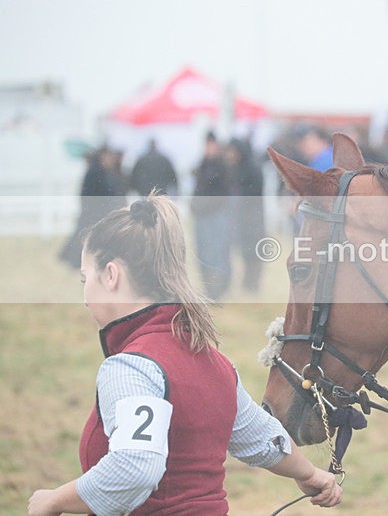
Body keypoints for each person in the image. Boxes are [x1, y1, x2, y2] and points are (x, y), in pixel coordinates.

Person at [28, 193, 342, 515]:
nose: (84, 295)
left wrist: (53, 499)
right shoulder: (213, 361)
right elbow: (262, 436)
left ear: (111, 275)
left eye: (85, 278)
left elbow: (135, 467)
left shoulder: (130, 367)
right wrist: (309, 473)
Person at [59, 146, 128, 269]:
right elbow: (103, 191)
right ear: (103, 157)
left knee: (83, 235)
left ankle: (73, 259)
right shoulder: (98, 171)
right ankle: (75, 259)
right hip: (93, 210)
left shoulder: (97, 170)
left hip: (92, 210)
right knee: (85, 236)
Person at [190, 131, 232, 299]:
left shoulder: (221, 166)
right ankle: (209, 289)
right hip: (202, 215)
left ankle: (217, 290)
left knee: (216, 253)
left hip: (216, 215)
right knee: (203, 253)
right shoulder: (202, 165)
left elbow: (223, 190)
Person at [225, 137, 266, 292]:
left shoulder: (252, 169)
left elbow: (253, 193)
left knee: (253, 252)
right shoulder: (234, 168)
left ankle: (252, 284)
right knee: (245, 251)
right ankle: (247, 284)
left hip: (253, 217)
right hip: (241, 217)